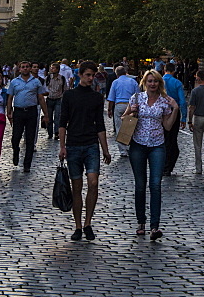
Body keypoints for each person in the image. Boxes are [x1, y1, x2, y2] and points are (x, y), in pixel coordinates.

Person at [59, 61, 111, 241]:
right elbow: (62, 122)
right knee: (77, 187)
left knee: (93, 182)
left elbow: (100, 125)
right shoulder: (69, 96)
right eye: (88, 75)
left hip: (91, 145)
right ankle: (78, 226)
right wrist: (62, 146)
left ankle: (88, 222)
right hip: (73, 145)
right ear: (80, 75)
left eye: (93, 75)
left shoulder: (96, 97)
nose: (91, 78)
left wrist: (105, 149)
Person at [123, 69, 178, 240]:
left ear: (159, 83)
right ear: (144, 83)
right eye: (149, 81)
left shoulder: (164, 101)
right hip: (138, 145)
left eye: (155, 81)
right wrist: (130, 111)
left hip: (157, 146)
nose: (152, 84)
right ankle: (141, 222)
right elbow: (124, 120)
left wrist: (175, 109)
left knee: (155, 185)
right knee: (140, 185)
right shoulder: (136, 98)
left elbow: (168, 126)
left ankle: (155, 226)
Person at [7, 61, 49, 173]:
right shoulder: (14, 82)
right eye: (23, 67)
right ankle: (16, 150)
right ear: (19, 69)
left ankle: (27, 164)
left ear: (30, 69)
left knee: (30, 139)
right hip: (19, 112)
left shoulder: (36, 82)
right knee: (16, 137)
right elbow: (10, 97)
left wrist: (46, 114)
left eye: (27, 67)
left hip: (31, 111)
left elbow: (41, 98)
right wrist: (9, 112)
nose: (25, 69)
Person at [106, 66, 140, 157]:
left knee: (119, 127)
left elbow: (111, 98)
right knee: (130, 126)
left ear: (116, 74)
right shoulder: (133, 82)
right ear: (126, 72)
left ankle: (122, 150)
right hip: (130, 105)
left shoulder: (115, 82)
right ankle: (130, 145)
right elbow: (138, 95)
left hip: (119, 105)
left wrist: (109, 109)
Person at [162, 61, 187, 176]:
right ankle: (169, 165)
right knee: (172, 138)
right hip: (173, 112)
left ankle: (163, 164)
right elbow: (182, 101)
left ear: (164, 70)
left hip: (161, 112)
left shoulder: (159, 81)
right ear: (174, 71)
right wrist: (184, 117)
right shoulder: (177, 83)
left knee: (162, 138)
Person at [45, 62, 66, 140]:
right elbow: (44, 87)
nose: (51, 69)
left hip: (58, 99)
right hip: (49, 99)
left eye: (53, 68)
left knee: (58, 117)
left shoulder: (62, 78)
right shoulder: (48, 78)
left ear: (57, 70)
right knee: (49, 117)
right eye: (51, 68)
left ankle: (56, 133)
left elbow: (65, 89)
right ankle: (50, 133)